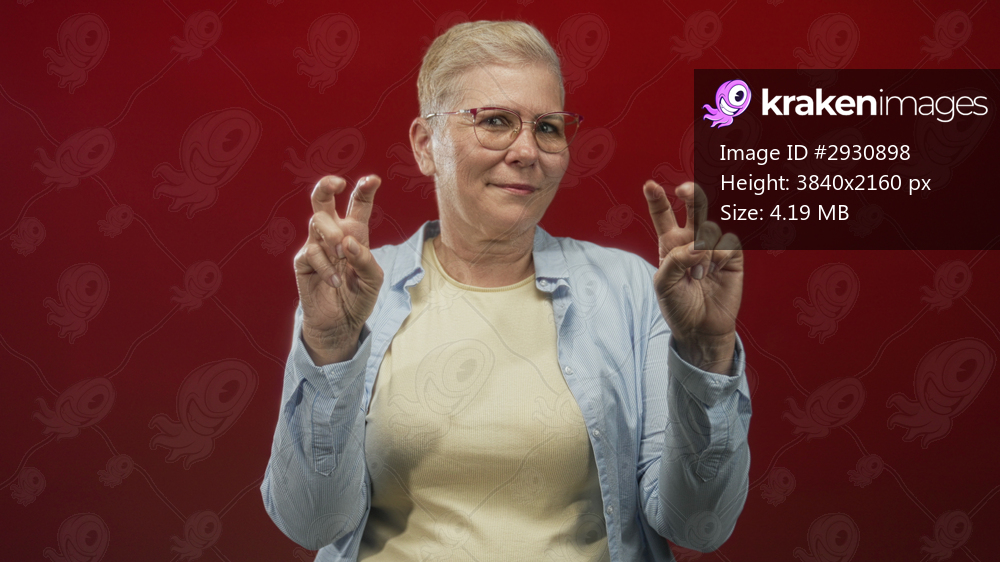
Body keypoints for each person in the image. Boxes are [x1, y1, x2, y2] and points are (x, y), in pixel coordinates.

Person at [261, 20, 751, 562]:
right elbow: (311, 522)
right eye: (495, 121)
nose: (527, 151)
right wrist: (330, 344)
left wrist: (707, 356)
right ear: (425, 145)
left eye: (548, 127)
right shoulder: (352, 291)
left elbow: (698, 526)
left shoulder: (635, 290)